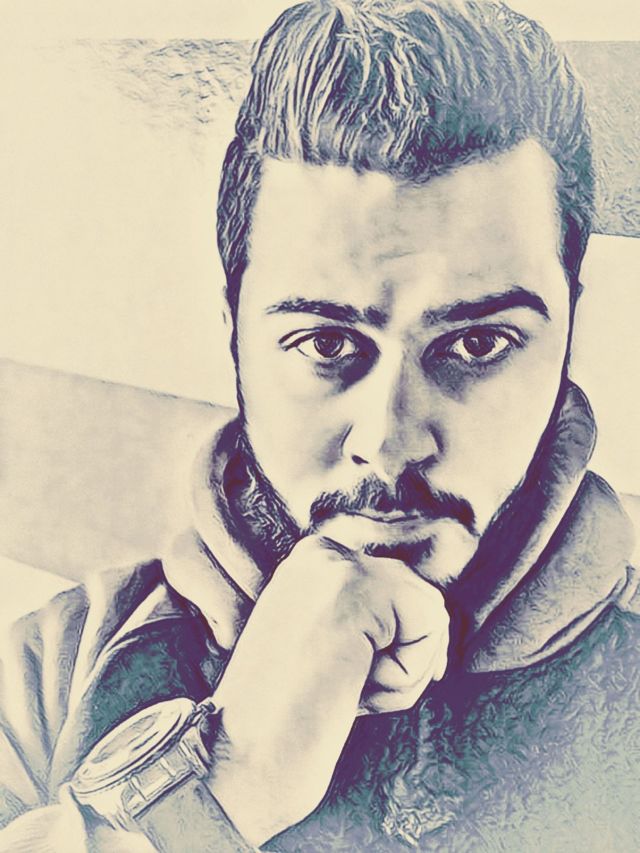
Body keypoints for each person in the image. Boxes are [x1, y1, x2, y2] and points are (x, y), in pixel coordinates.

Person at [1, 1, 639, 850]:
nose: (391, 441)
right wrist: (218, 783)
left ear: (569, 332)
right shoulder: (46, 678)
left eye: (478, 343)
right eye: (327, 343)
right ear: (234, 334)